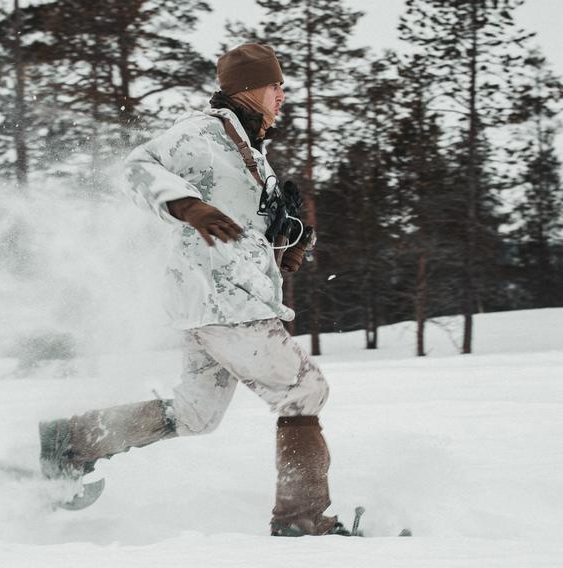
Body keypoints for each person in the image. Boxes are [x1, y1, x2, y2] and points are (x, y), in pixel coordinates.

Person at [39, 43, 348, 537]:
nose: (282, 95)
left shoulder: (253, 154)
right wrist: (186, 205)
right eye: (275, 85)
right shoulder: (199, 134)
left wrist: (287, 243)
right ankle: (302, 519)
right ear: (248, 88)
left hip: (216, 301)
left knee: (196, 414)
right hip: (222, 301)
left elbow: (246, 227)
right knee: (303, 388)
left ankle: (69, 441)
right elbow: (137, 169)